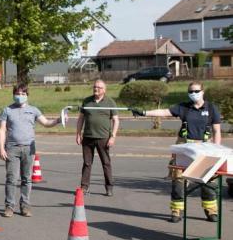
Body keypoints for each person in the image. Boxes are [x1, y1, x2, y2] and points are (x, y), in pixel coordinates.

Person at [129, 81, 222, 222]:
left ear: (203, 91)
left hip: (205, 150)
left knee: (208, 181)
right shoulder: (184, 107)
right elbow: (164, 112)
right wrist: (143, 112)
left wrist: (216, 150)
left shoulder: (211, 108)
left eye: (196, 91)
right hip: (184, 149)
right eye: (190, 92)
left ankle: (211, 211)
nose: (193, 94)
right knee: (178, 181)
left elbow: (217, 131)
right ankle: (176, 211)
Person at [0, 84, 61, 218]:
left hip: (29, 149)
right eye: (17, 93)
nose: (19, 96)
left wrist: (59, 120)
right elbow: (2, 130)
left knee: (27, 179)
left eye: (22, 93)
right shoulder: (7, 110)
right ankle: (9, 206)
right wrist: (1, 148)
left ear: (27, 95)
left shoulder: (33, 110)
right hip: (12, 148)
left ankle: (25, 205)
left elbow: (46, 123)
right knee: (11, 179)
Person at [76, 79, 119, 196]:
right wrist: (78, 133)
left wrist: (113, 137)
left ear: (104, 90)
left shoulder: (110, 102)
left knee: (106, 163)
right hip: (88, 137)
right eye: (95, 87)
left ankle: (109, 187)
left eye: (99, 87)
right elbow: (81, 119)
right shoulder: (87, 101)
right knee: (87, 163)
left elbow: (116, 120)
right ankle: (84, 187)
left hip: (103, 138)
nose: (96, 89)